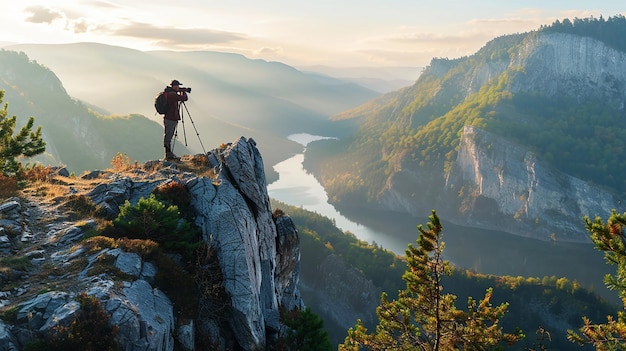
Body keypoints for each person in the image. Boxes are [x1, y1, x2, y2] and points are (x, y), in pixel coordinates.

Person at [163, 79, 188, 160]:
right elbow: (184, 98)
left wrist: (181, 91)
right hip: (170, 119)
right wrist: (184, 91)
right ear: (175, 86)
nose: (179, 87)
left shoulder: (170, 93)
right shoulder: (172, 95)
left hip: (169, 118)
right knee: (168, 136)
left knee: (169, 136)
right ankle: (168, 154)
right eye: (178, 86)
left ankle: (169, 153)